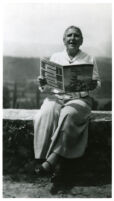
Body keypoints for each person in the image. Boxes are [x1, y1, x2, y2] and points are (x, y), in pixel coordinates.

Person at [33, 25, 101, 179]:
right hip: (57, 97)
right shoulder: (56, 57)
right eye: (69, 35)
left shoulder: (89, 59)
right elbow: (46, 87)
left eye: (76, 36)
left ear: (81, 40)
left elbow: (97, 83)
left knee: (68, 115)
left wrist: (93, 84)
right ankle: (41, 158)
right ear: (64, 40)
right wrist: (43, 83)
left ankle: (53, 161)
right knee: (46, 113)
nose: (73, 38)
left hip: (79, 99)